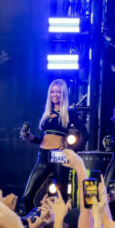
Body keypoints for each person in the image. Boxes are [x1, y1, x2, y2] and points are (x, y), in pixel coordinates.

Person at [20, 79, 86, 211]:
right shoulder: (46, 113)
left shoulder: (69, 112)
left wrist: (71, 150)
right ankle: (35, 224)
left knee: (62, 197)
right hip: (43, 157)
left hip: (59, 156)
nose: (55, 95)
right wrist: (31, 138)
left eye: (58, 92)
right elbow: (43, 139)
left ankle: (62, 227)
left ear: (63, 95)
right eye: (52, 92)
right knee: (27, 197)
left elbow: (85, 134)